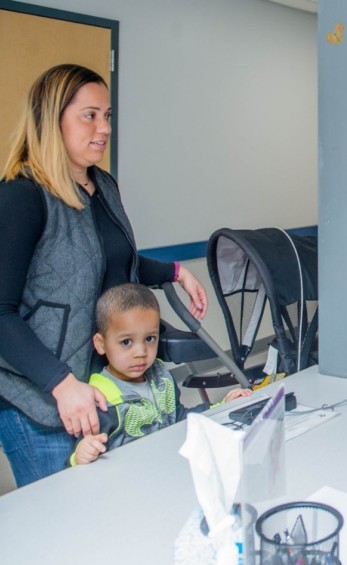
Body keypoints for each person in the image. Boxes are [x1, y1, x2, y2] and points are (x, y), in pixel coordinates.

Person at [0, 64, 209, 487]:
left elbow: (113, 261)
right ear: (52, 119)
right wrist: (61, 384)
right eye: (89, 115)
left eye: (108, 115)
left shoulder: (103, 186)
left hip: (102, 389)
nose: (104, 127)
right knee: (62, 533)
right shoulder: (22, 196)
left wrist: (175, 271)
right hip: (41, 400)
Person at [71, 284, 251, 466]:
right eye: (126, 342)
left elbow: (179, 418)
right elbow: (82, 459)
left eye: (150, 339)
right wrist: (80, 455)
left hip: (168, 468)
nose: (141, 352)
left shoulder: (161, 376)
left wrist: (221, 407)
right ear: (101, 344)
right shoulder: (100, 400)